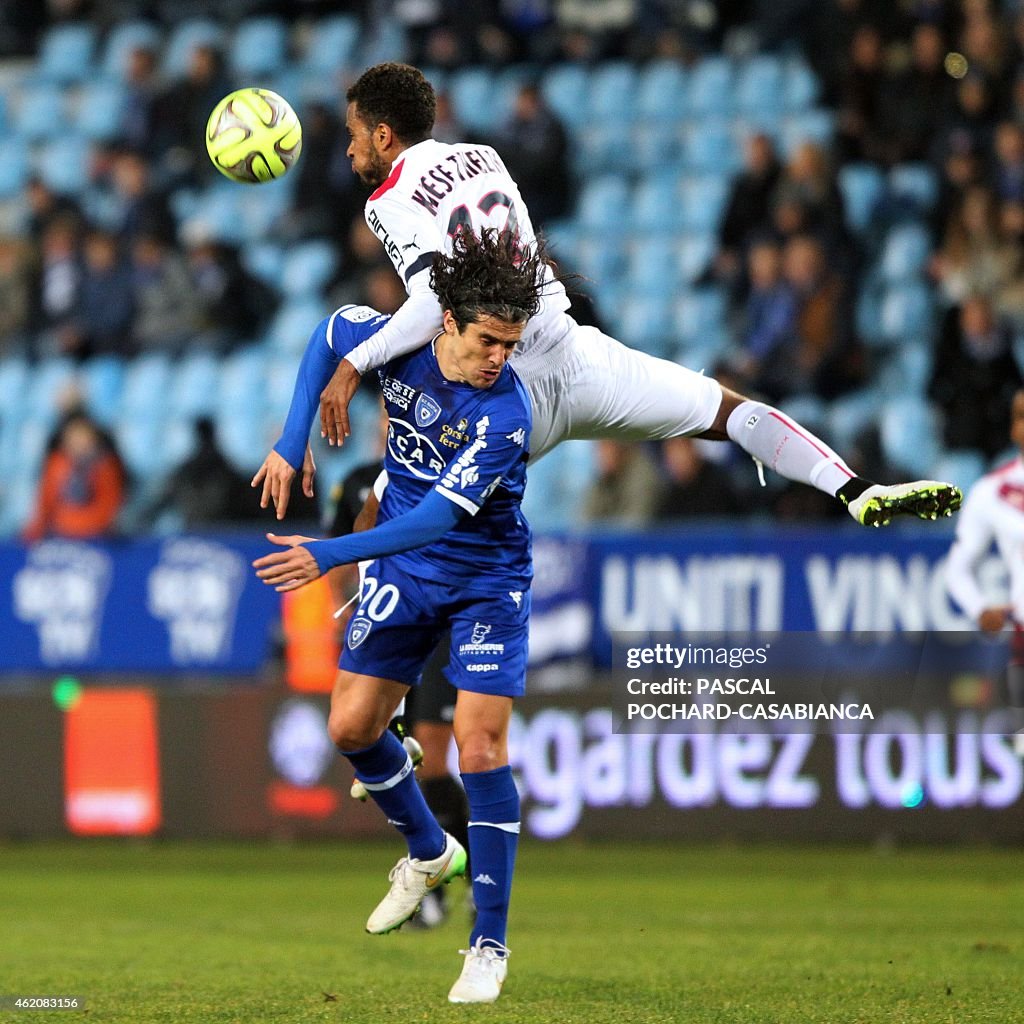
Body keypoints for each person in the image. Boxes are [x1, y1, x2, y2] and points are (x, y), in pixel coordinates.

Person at [255, 62, 959, 532]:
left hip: (502, 389)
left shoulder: (389, 199)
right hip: (577, 360)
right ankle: (853, 487)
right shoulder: (488, 155)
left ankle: (388, 700)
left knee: (378, 510)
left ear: (383, 134)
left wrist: (356, 365)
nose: (348, 152)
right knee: (724, 409)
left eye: (353, 137)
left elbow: (429, 297)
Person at [253, 229, 548, 1004]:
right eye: (488, 340)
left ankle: (487, 946)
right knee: (350, 730)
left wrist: (330, 553)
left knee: (479, 749)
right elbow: (327, 336)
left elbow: (434, 522)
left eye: (511, 345)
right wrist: (291, 442)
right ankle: (427, 850)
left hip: (485, 577)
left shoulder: (506, 416)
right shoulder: (392, 344)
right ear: (445, 321)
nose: (499, 359)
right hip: (405, 575)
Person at [945, 389, 1024, 748]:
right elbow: (957, 569)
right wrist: (979, 608)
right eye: (1022, 415)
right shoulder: (993, 492)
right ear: (1013, 430)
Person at [23, 409, 126, 542]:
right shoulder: (56, 464)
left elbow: (109, 505)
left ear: (93, 438)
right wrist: (38, 528)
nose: (78, 442)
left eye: (82, 436)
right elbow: (45, 500)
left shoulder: (105, 466)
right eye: (73, 436)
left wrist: (81, 526)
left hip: (96, 534)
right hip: (60, 531)